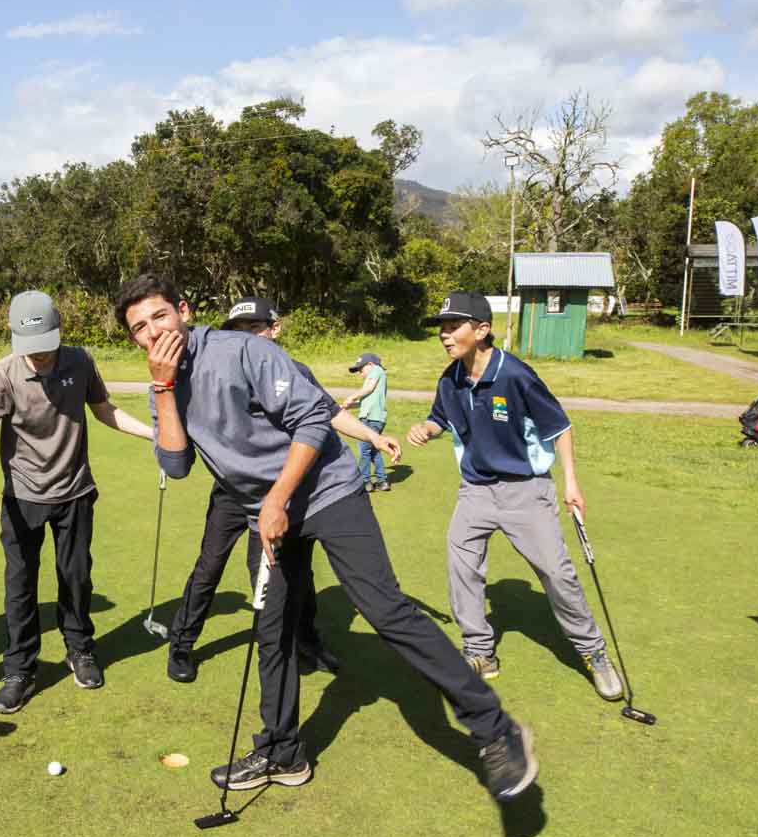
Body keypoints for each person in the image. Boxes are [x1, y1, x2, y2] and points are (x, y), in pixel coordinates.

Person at [117, 273, 537, 803]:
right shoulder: (160, 386)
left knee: (385, 609)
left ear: (183, 310)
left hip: (328, 492)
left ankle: (496, 728)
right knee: (273, 630)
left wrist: (277, 499)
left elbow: (315, 421)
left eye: (160, 316)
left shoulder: (243, 351)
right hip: (267, 515)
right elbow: (177, 465)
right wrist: (162, 387)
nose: (153, 332)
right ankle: (283, 752)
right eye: (140, 328)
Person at [164, 298, 400, 684]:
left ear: (274, 329)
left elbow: (327, 412)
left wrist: (372, 436)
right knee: (209, 566)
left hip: (281, 492)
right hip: (233, 493)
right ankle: (181, 644)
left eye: (255, 328)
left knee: (291, 573)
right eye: (239, 330)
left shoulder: (295, 369)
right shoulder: (222, 364)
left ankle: (305, 640)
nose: (247, 337)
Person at [405, 292, 623, 703]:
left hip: (526, 490)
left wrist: (571, 483)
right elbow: (439, 418)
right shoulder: (449, 379)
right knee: (462, 567)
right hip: (475, 491)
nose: (444, 335)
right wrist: (426, 429)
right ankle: (479, 651)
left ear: (482, 330)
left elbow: (560, 427)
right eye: (442, 328)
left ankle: (593, 651)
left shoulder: (516, 375)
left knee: (557, 574)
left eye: (453, 327)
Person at [0, 290, 154, 713]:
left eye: (45, 344)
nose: (38, 355)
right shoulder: (3, 373)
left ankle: (80, 649)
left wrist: (153, 435)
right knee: (20, 586)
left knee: (76, 577)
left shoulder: (80, 361)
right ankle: (19, 669)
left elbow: (103, 409)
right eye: (29, 346)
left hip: (75, 491)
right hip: (22, 496)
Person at [342, 352, 391, 492]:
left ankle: (365, 482)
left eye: (361, 369)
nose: (360, 373)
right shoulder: (371, 380)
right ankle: (382, 481)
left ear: (370, 364)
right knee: (373, 451)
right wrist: (348, 406)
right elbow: (364, 402)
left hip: (371, 419)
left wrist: (351, 396)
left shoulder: (376, 370)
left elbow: (368, 388)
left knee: (364, 451)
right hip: (373, 418)